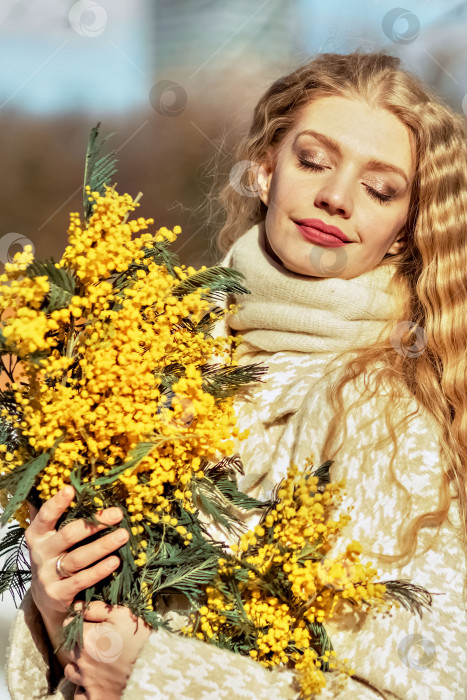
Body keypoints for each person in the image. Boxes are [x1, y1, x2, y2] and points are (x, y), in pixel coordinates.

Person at [6, 49, 467, 699]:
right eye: (313, 160)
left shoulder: (381, 414)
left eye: (378, 188)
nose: (335, 197)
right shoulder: (154, 360)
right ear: (261, 170)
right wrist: (57, 617)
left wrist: (154, 673)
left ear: (400, 233)